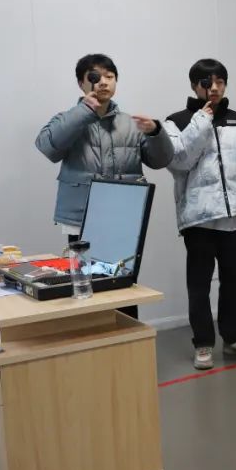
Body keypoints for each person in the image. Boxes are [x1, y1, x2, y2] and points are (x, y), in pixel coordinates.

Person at [35, 54, 173, 319]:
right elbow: (48, 147)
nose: (103, 82)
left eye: (109, 76)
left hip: (123, 219)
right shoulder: (68, 119)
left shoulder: (130, 124)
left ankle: (127, 337)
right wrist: (83, 111)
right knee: (86, 287)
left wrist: (156, 132)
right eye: (95, 77)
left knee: (122, 285)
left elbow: (161, 160)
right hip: (81, 220)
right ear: (81, 83)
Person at [164, 59, 236, 369]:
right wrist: (202, 120)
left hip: (234, 215)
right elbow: (180, 160)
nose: (214, 88)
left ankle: (235, 337)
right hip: (199, 218)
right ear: (194, 85)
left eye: (220, 82)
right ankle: (203, 343)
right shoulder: (177, 121)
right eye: (206, 83)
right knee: (199, 284)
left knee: (234, 281)